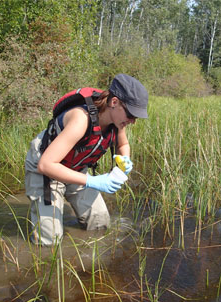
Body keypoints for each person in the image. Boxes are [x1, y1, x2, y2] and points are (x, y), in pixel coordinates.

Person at [24, 74, 148, 246]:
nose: (133, 121)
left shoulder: (117, 122)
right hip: (45, 169)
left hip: (75, 168)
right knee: (49, 241)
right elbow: (46, 165)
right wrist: (93, 181)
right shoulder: (81, 119)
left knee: (100, 224)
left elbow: (123, 144)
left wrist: (124, 159)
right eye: (131, 114)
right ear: (114, 102)